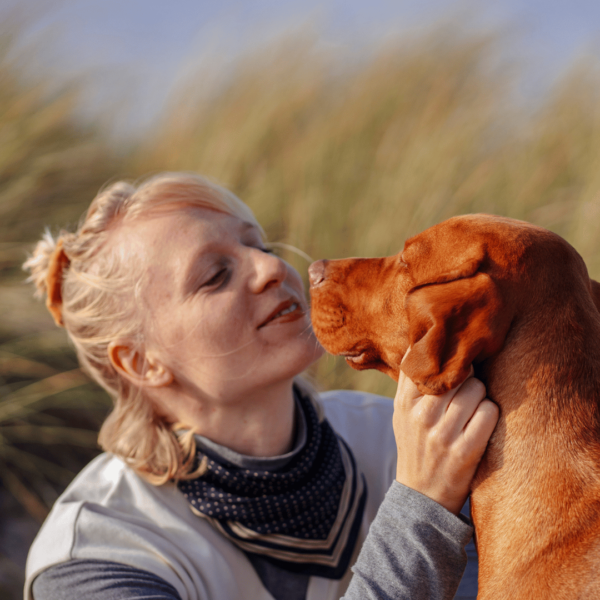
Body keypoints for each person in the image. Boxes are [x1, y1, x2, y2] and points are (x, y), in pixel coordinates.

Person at [23, 172, 498, 600]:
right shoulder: (94, 555)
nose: (272, 269)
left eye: (262, 247)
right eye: (214, 276)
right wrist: (423, 509)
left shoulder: (402, 438)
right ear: (142, 362)